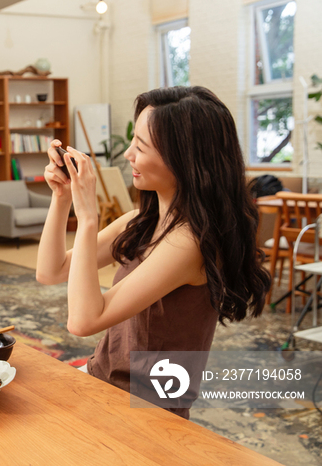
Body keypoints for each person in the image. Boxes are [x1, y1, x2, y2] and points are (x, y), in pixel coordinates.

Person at [36, 86, 271, 419]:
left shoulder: (189, 244)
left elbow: (83, 321)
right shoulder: (141, 222)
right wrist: (61, 199)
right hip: (103, 384)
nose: (129, 154)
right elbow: (51, 272)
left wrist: (88, 218)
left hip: (144, 412)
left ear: (184, 159)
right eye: (133, 140)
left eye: (141, 146)